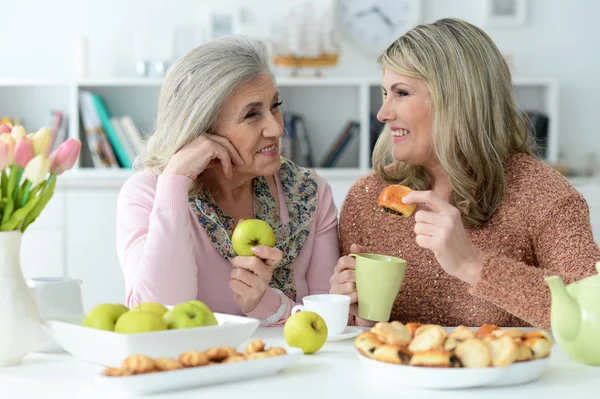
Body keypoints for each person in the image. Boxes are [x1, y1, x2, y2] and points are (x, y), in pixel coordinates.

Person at [330, 18, 600, 330]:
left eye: (402, 93)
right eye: (385, 93)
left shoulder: (544, 195)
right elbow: (358, 337)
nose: (383, 113)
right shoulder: (367, 199)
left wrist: (472, 263)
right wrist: (359, 314)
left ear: (457, 100)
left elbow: (590, 312)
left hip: (511, 377)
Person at [116, 36, 339, 325]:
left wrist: (265, 303)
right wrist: (174, 180)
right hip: (192, 366)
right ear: (202, 126)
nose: (276, 127)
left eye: (275, 106)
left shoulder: (310, 193)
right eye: (252, 115)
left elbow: (328, 322)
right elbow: (160, 315)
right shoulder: (147, 194)